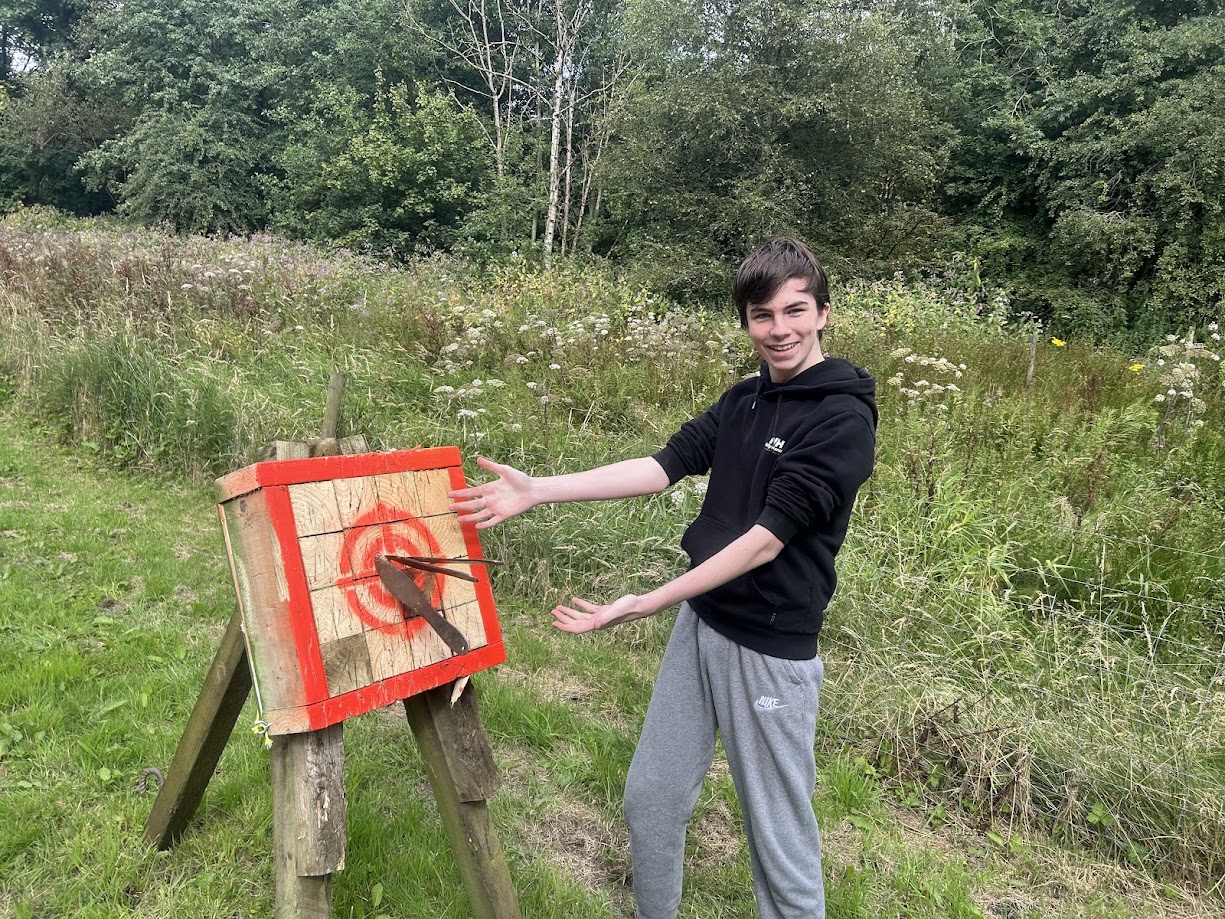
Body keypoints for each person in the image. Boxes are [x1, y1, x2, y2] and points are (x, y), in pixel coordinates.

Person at [449, 237, 877, 919]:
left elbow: (765, 543)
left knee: (778, 840)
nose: (779, 329)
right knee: (650, 797)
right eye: (761, 315)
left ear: (823, 312)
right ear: (744, 323)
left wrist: (645, 601)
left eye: (795, 310)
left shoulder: (841, 418)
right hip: (701, 623)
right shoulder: (744, 401)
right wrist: (537, 490)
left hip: (768, 650)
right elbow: (661, 465)